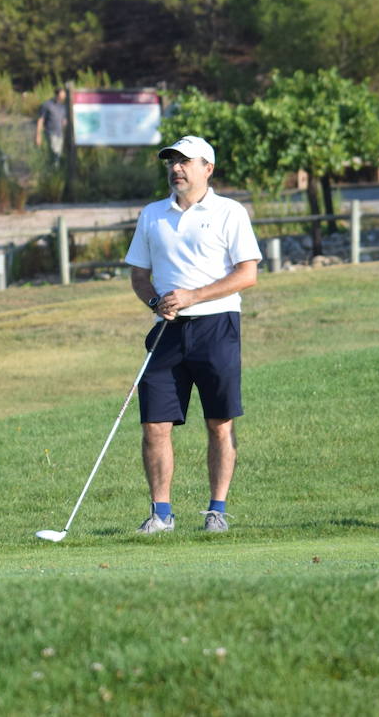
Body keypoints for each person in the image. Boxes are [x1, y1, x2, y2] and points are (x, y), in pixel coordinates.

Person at [124, 136, 261, 535]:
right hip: (166, 330)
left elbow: (246, 274)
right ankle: (161, 514)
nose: (176, 168)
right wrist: (155, 303)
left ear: (208, 169)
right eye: (171, 162)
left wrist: (192, 296)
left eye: (185, 162)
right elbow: (139, 274)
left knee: (219, 423)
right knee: (154, 424)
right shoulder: (152, 214)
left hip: (217, 326)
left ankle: (216, 510)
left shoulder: (229, 212)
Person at [35, 86, 67, 163]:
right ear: (57, 94)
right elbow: (40, 120)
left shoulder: (63, 106)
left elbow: (64, 120)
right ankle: (54, 170)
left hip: (60, 133)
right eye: (62, 94)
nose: (64, 96)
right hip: (50, 133)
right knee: (55, 152)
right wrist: (38, 135)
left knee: (58, 153)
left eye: (64, 94)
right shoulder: (47, 105)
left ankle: (55, 170)